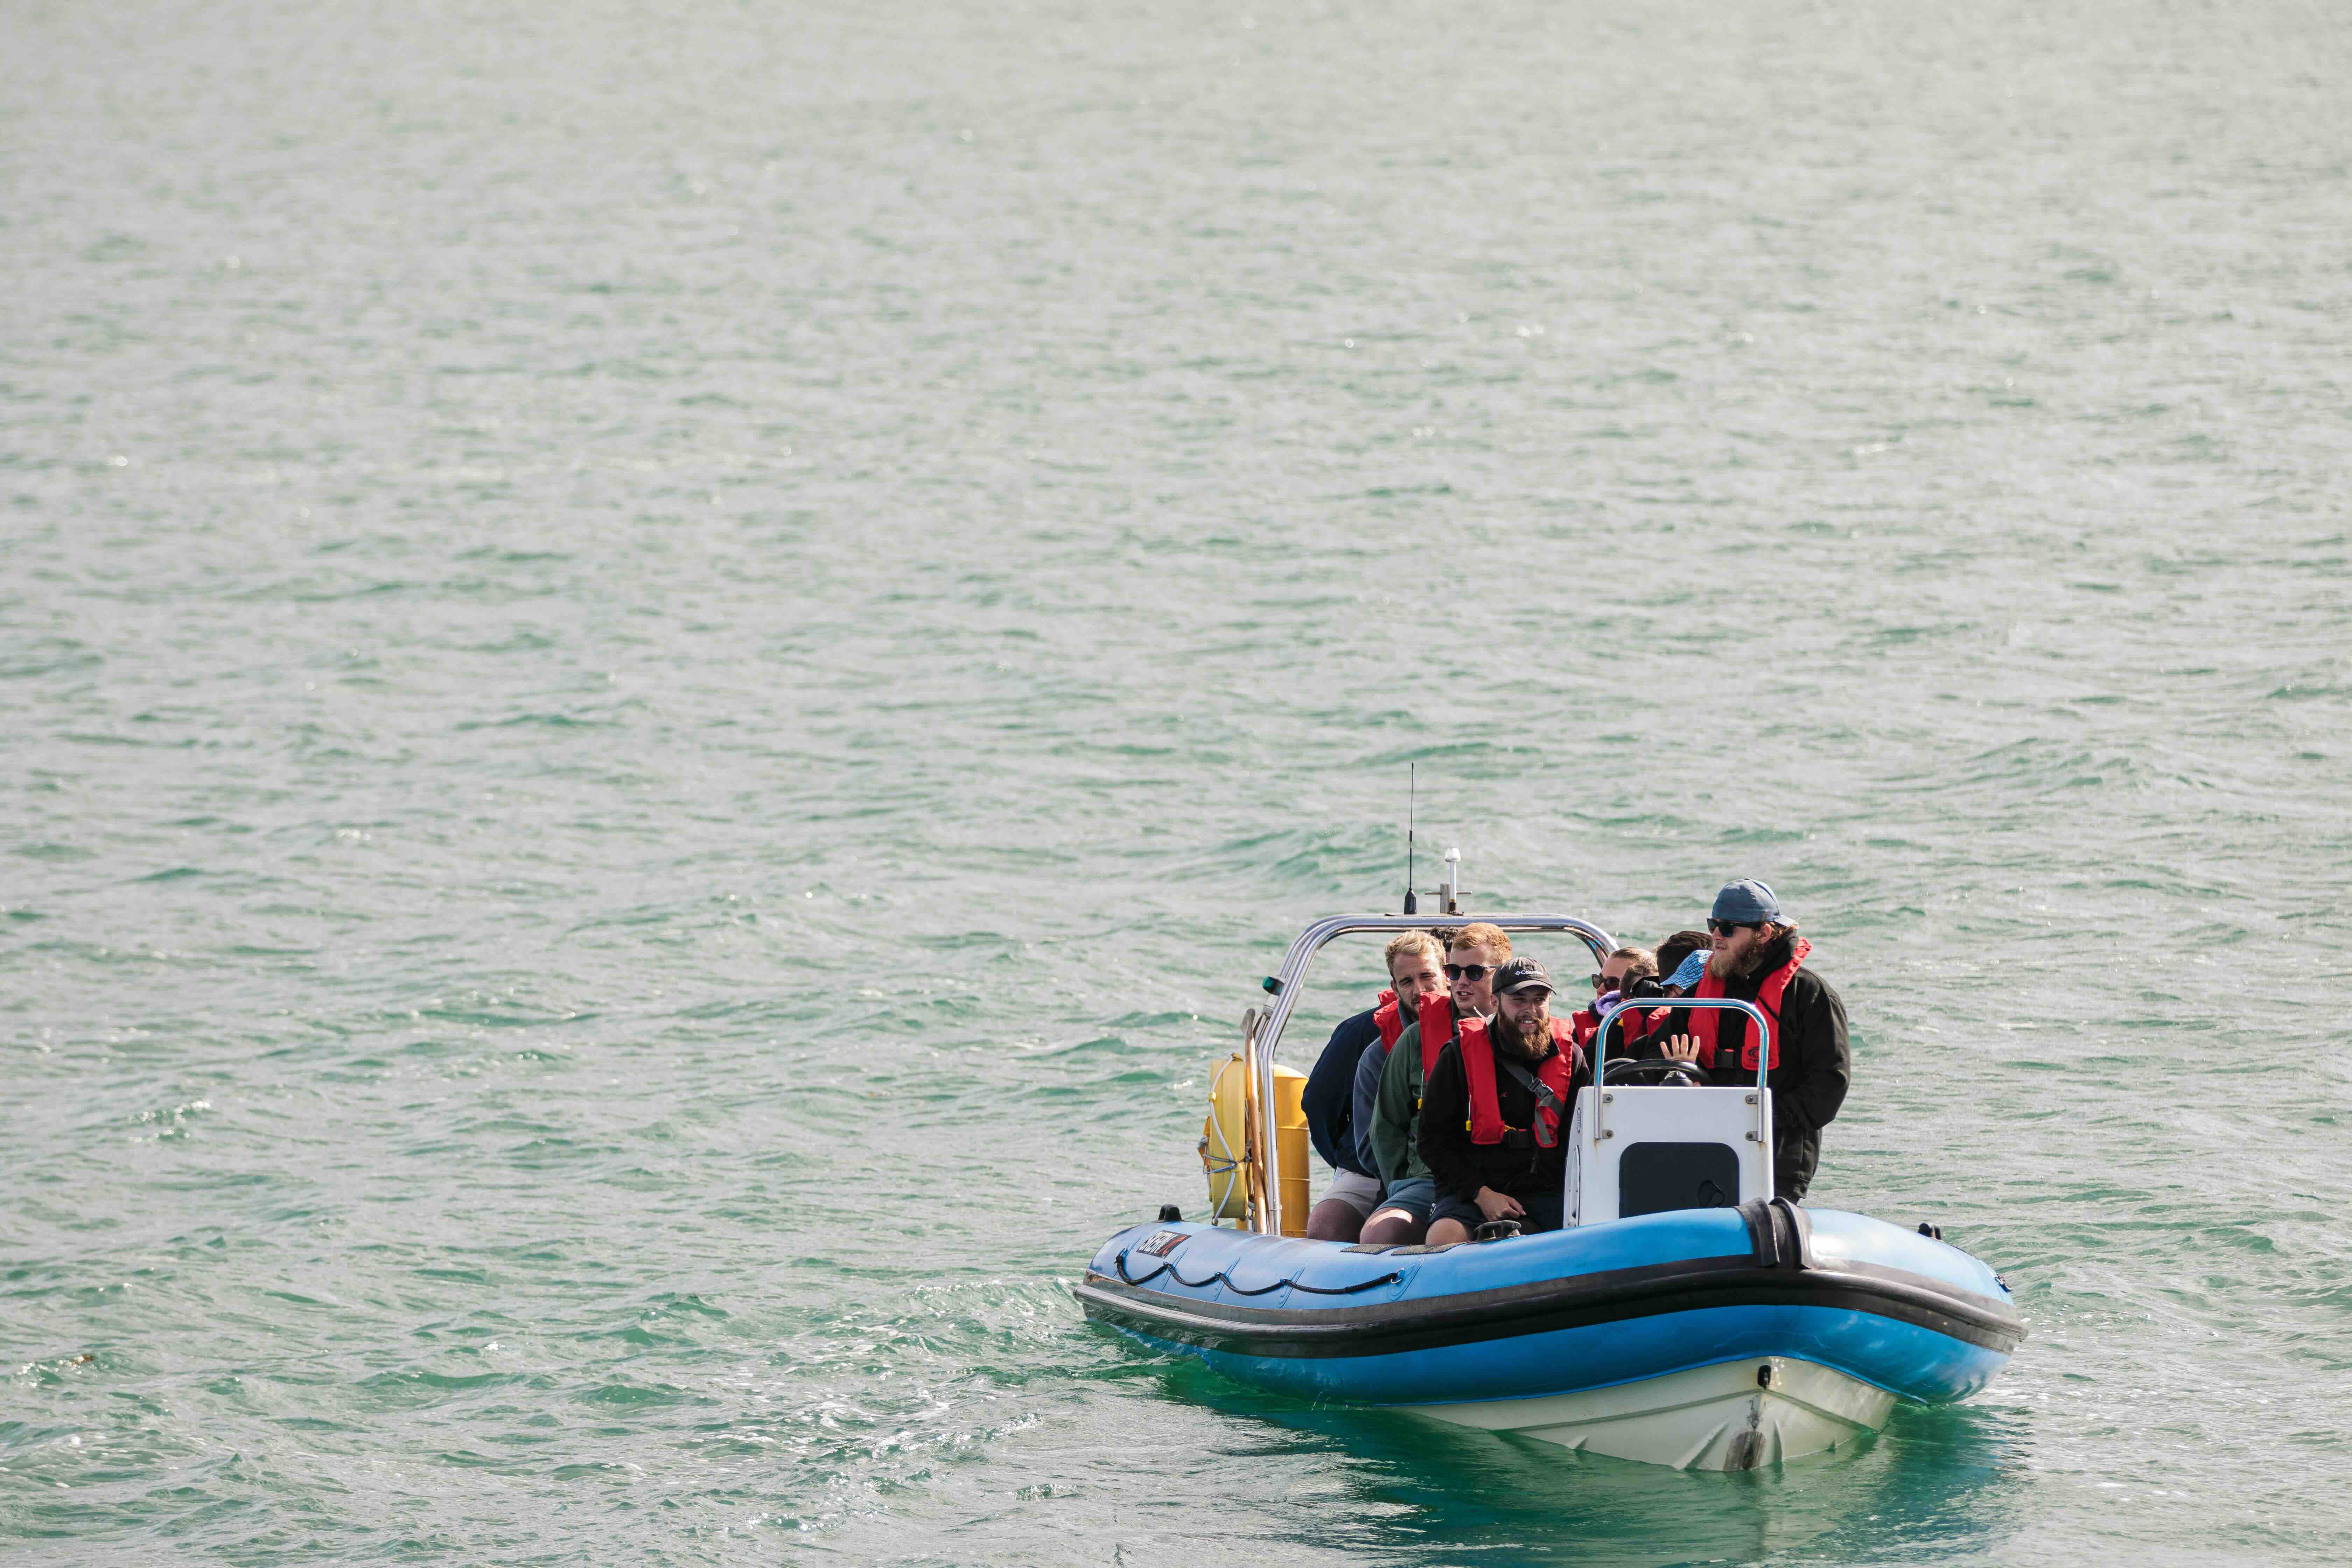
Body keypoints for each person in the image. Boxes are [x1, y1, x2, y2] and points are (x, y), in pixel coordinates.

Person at [1651, 879, 1850, 1200]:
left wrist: (1749, 1116)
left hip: (1777, 1160)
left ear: (1764, 934)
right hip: (1703, 1148)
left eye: (1728, 928)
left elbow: (1828, 1089)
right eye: (1714, 925)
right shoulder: (1700, 995)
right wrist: (1678, 1074)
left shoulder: (1811, 996)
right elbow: (1648, 1059)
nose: (1716, 936)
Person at [1360, 922, 1511, 1245]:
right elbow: (1386, 1128)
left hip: (1511, 1178)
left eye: (1474, 971)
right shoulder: (1414, 1040)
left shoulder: (1529, 1035)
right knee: (1378, 1233)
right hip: (1429, 1179)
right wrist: (1401, 1183)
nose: (1461, 981)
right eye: (1454, 971)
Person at [1418, 957, 1588, 1244]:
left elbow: (1585, 1139)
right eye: (1519, 1000)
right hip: (1473, 1192)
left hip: (1548, 1193)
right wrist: (1482, 1195)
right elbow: (1433, 1142)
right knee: (1442, 1238)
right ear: (1496, 1003)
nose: (1530, 1010)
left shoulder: (1573, 1058)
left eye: (1539, 999)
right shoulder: (1458, 1056)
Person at [1301, 931, 1448, 1241]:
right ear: (1394, 987)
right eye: (1407, 982)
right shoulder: (1363, 1036)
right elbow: (1319, 1103)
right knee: (1325, 1225)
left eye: (1427, 977)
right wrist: (1347, 1156)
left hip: (1449, 1169)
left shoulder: (1482, 1029)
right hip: (1369, 1166)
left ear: (1447, 976)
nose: (1419, 991)